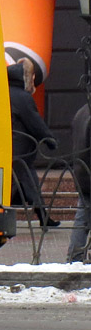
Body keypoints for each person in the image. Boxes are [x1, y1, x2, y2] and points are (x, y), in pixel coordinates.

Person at [9, 59, 59, 227]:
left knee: (28, 184)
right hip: (21, 151)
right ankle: (43, 218)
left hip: (13, 149)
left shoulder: (7, 92)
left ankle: (44, 218)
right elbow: (34, 121)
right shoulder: (22, 97)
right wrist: (50, 139)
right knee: (25, 184)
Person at [67, 104, 90, 263]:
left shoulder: (82, 111)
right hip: (87, 171)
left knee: (82, 217)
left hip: (82, 173)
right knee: (83, 217)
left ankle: (74, 258)